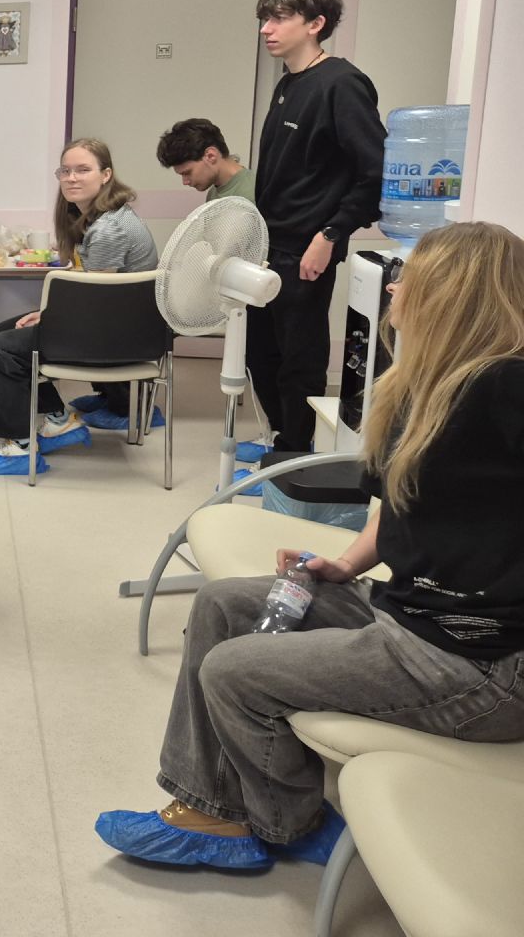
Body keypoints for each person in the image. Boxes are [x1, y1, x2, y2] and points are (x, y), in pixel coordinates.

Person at [97, 221, 524, 873]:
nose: (394, 288)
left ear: (453, 293)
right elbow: (396, 506)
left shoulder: (505, 389)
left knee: (233, 673)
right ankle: (211, 808)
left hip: (474, 666)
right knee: (220, 605)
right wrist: (345, 564)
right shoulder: (420, 387)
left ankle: (289, 823)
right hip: (403, 615)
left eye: (410, 277)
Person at [248, 0, 386, 458]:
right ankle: (280, 442)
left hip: (306, 247)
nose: (266, 29)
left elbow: (376, 173)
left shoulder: (342, 84)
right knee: (259, 353)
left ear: (315, 24)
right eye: (264, 19)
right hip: (268, 244)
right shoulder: (289, 82)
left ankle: (293, 458)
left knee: (299, 358)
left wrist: (331, 234)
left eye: (278, 18)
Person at [0, 139, 159, 474]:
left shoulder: (109, 229)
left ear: (106, 175)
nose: (71, 178)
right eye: (65, 171)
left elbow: (96, 299)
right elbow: (95, 294)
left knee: (0, 350)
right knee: (4, 330)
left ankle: (19, 448)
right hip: (116, 323)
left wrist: (49, 317)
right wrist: (47, 315)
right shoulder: (100, 216)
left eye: (82, 170)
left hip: (116, 337)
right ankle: (58, 420)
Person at [155, 117, 254, 202]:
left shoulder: (253, 192)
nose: (185, 182)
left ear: (210, 156)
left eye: (187, 172)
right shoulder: (213, 193)